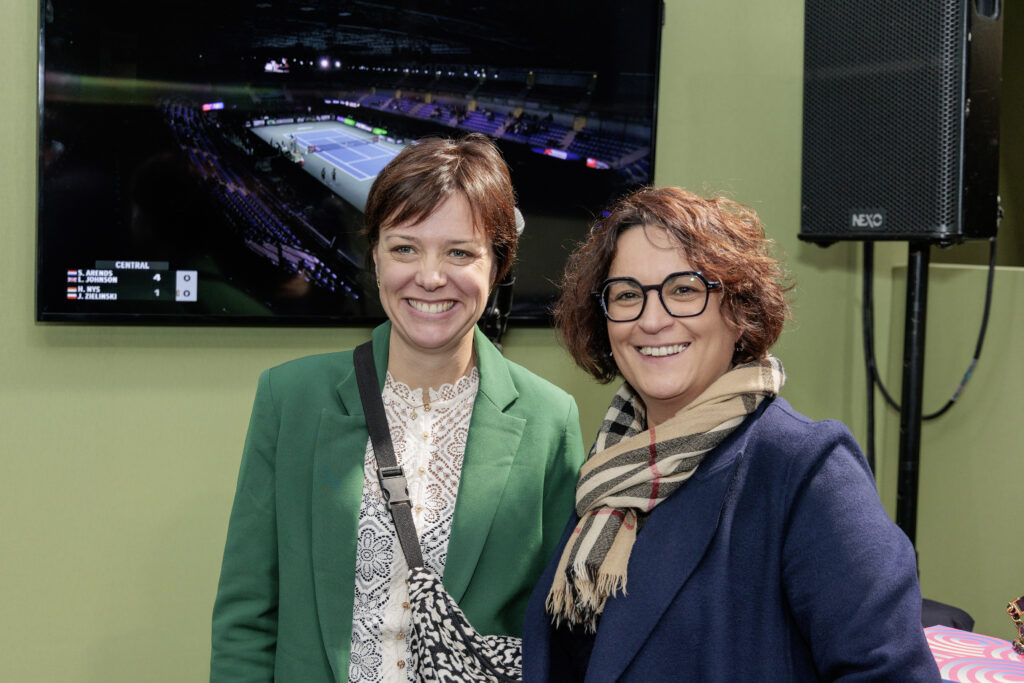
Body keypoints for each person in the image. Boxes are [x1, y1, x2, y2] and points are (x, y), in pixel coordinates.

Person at [521, 186, 941, 681]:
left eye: (683, 289)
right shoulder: (610, 466)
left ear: (738, 310)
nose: (652, 320)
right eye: (628, 295)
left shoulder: (806, 467)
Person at [211, 134, 586, 682]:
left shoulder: (551, 419)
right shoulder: (290, 399)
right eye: (405, 247)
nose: (430, 277)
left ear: (498, 265)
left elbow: (559, 629)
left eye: (460, 252)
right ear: (376, 256)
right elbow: (247, 616)